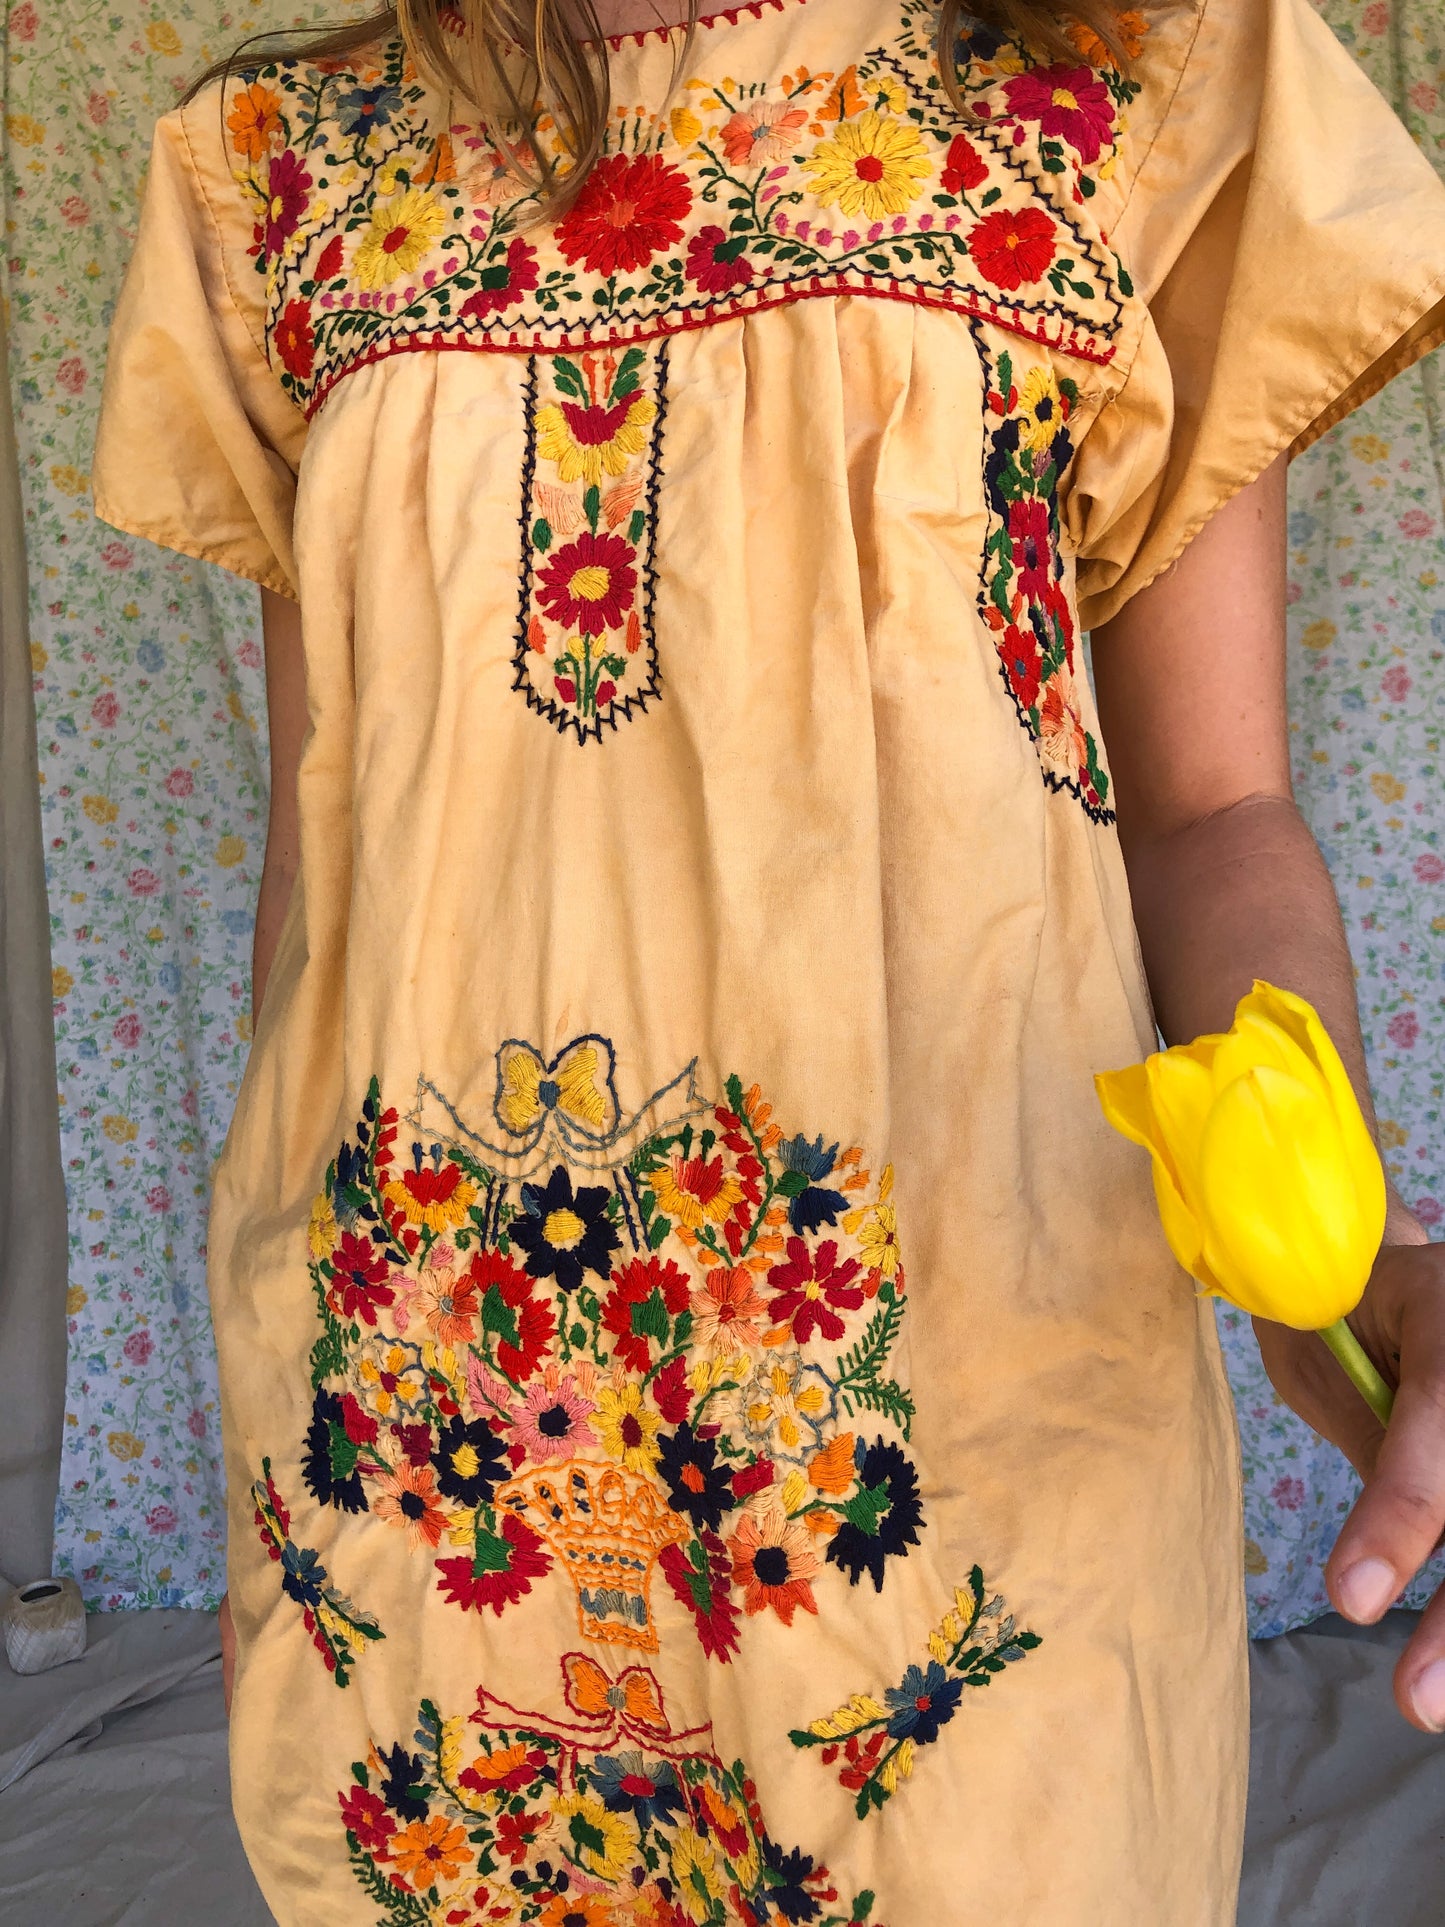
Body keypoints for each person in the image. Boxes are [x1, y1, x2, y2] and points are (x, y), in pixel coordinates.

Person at [90, 0, 1445, 1916]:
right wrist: (273, 1407)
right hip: (439, 1451)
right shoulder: (277, 170)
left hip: (964, 1425)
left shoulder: (1133, 84)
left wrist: (1349, 1256)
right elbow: (333, 881)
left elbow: (1210, 815)